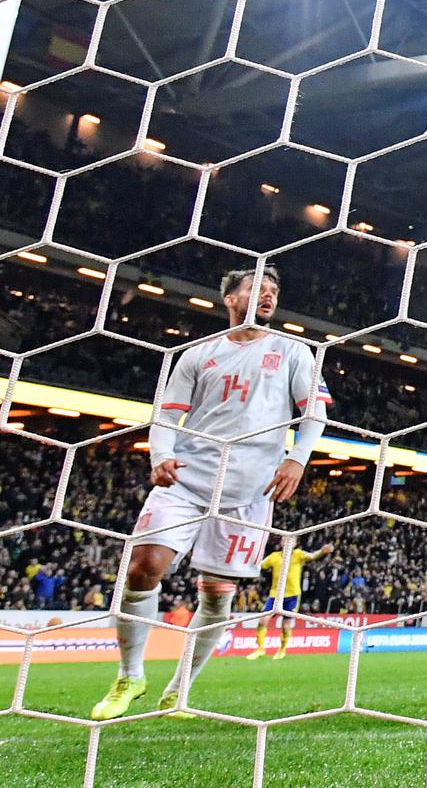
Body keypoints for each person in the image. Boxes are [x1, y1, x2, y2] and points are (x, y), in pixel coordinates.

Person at [91, 267, 330, 721]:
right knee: (143, 568)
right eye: (257, 289)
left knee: (218, 595)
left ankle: (178, 691)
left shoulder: (294, 351)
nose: (268, 296)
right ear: (230, 299)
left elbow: (314, 412)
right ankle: (130, 675)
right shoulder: (198, 354)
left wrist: (298, 457)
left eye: (273, 291)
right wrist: (160, 455)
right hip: (187, 478)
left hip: (250, 489)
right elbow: (167, 415)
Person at [248, 536, 333, 660]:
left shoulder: (298, 554)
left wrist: (321, 551)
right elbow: (260, 565)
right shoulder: (274, 556)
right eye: (284, 539)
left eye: (290, 540)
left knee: (285, 624)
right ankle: (260, 649)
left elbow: (312, 556)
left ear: (295, 543)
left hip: (292, 595)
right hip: (275, 595)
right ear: (281, 542)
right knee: (262, 620)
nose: (286, 541)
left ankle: (282, 650)